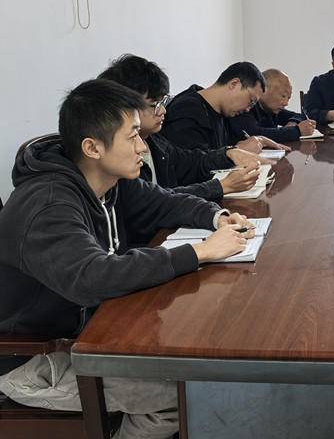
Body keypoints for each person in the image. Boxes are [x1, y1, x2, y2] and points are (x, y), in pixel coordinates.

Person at [0, 79, 255, 439]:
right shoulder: (49, 203)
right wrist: (200, 251)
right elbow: (93, 278)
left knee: (195, 361)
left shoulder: (109, 179)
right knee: (180, 395)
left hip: (91, 334)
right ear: (92, 147)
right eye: (132, 135)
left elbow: (164, 202)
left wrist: (218, 217)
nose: (142, 146)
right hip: (33, 361)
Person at [99, 54, 262, 210]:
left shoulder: (155, 141)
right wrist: (222, 186)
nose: (163, 111)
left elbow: (190, 161)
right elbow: (153, 201)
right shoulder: (118, 159)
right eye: (155, 105)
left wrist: (228, 154)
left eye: (163, 102)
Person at [161, 62, 290, 153]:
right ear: (234, 84)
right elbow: (190, 167)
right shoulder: (187, 110)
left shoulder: (223, 112)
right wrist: (236, 151)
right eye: (251, 101)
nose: (248, 109)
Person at [229, 68, 316, 143]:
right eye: (283, 96)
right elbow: (254, 134)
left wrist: (293, 122)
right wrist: (296, 131)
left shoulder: (272, 109)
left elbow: (300, 116)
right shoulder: (246, 106)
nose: (286, 103)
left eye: (288, 98)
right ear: (264, 89)